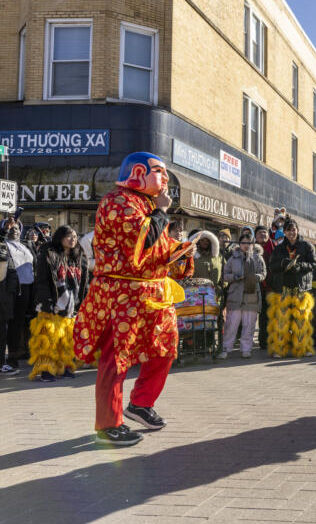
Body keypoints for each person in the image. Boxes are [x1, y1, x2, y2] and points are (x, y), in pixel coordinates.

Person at [73, 152, 195, 446]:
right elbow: (138, 243)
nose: (165, 179)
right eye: (159, 172)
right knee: (116, 360)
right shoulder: (117, 201)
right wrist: (162, 212)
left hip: (154, 294)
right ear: (138, 172)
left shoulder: (148, 205)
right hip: (122, 295)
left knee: (165, 349)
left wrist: (180, 251)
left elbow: (157, 249)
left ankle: (140, 404)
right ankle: (108, 424)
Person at [28, 225, 89, 381]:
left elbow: (83, 283)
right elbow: (41, 281)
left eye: (75, 236)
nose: (72, 239)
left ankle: (64, 368)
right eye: (69, 236)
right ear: (59, 237)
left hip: (70, 305)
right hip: (52, 304)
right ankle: (46, 371)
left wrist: (82, 302)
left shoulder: (79, 256)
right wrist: (46, 302)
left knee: (67, 340)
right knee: (48, 340)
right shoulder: (48, 254)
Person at [266, 219, 316, 357]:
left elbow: (313, 264)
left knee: (301, 321)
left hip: (301, 289)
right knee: (282, 322)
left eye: (293, 229)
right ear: (285, 232)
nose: (291, 232)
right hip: (283, 289)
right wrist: (283, 263)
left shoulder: (307, 246)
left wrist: (300, 266)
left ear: (298, 230)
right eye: (288, 230)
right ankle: (280, 349)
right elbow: (272, 266)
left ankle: (303, 348)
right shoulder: (279, 248)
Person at [219, 233, 266, 358]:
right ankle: (226, 348)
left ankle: (246, 349)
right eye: (244, 243)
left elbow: (263, 273)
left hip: (251, 294)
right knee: (231, 324)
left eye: (249, 243)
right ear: (239, 244)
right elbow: (224, 274)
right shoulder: (232, 258)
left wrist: (256, 277)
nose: (246, 245)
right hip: (236, 294)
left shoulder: (258, 258)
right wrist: (234, 277)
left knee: (249, 324)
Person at [3, 220, 36, 375]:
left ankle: (15, 356)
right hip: (9, 290)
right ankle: (7, 359)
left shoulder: (24, 245)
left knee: (19, 324)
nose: (14, 231)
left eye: (17, 228)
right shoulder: (3, 244)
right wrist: (4, 229)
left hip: (26, 288)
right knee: (7, 324)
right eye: (11, 228)